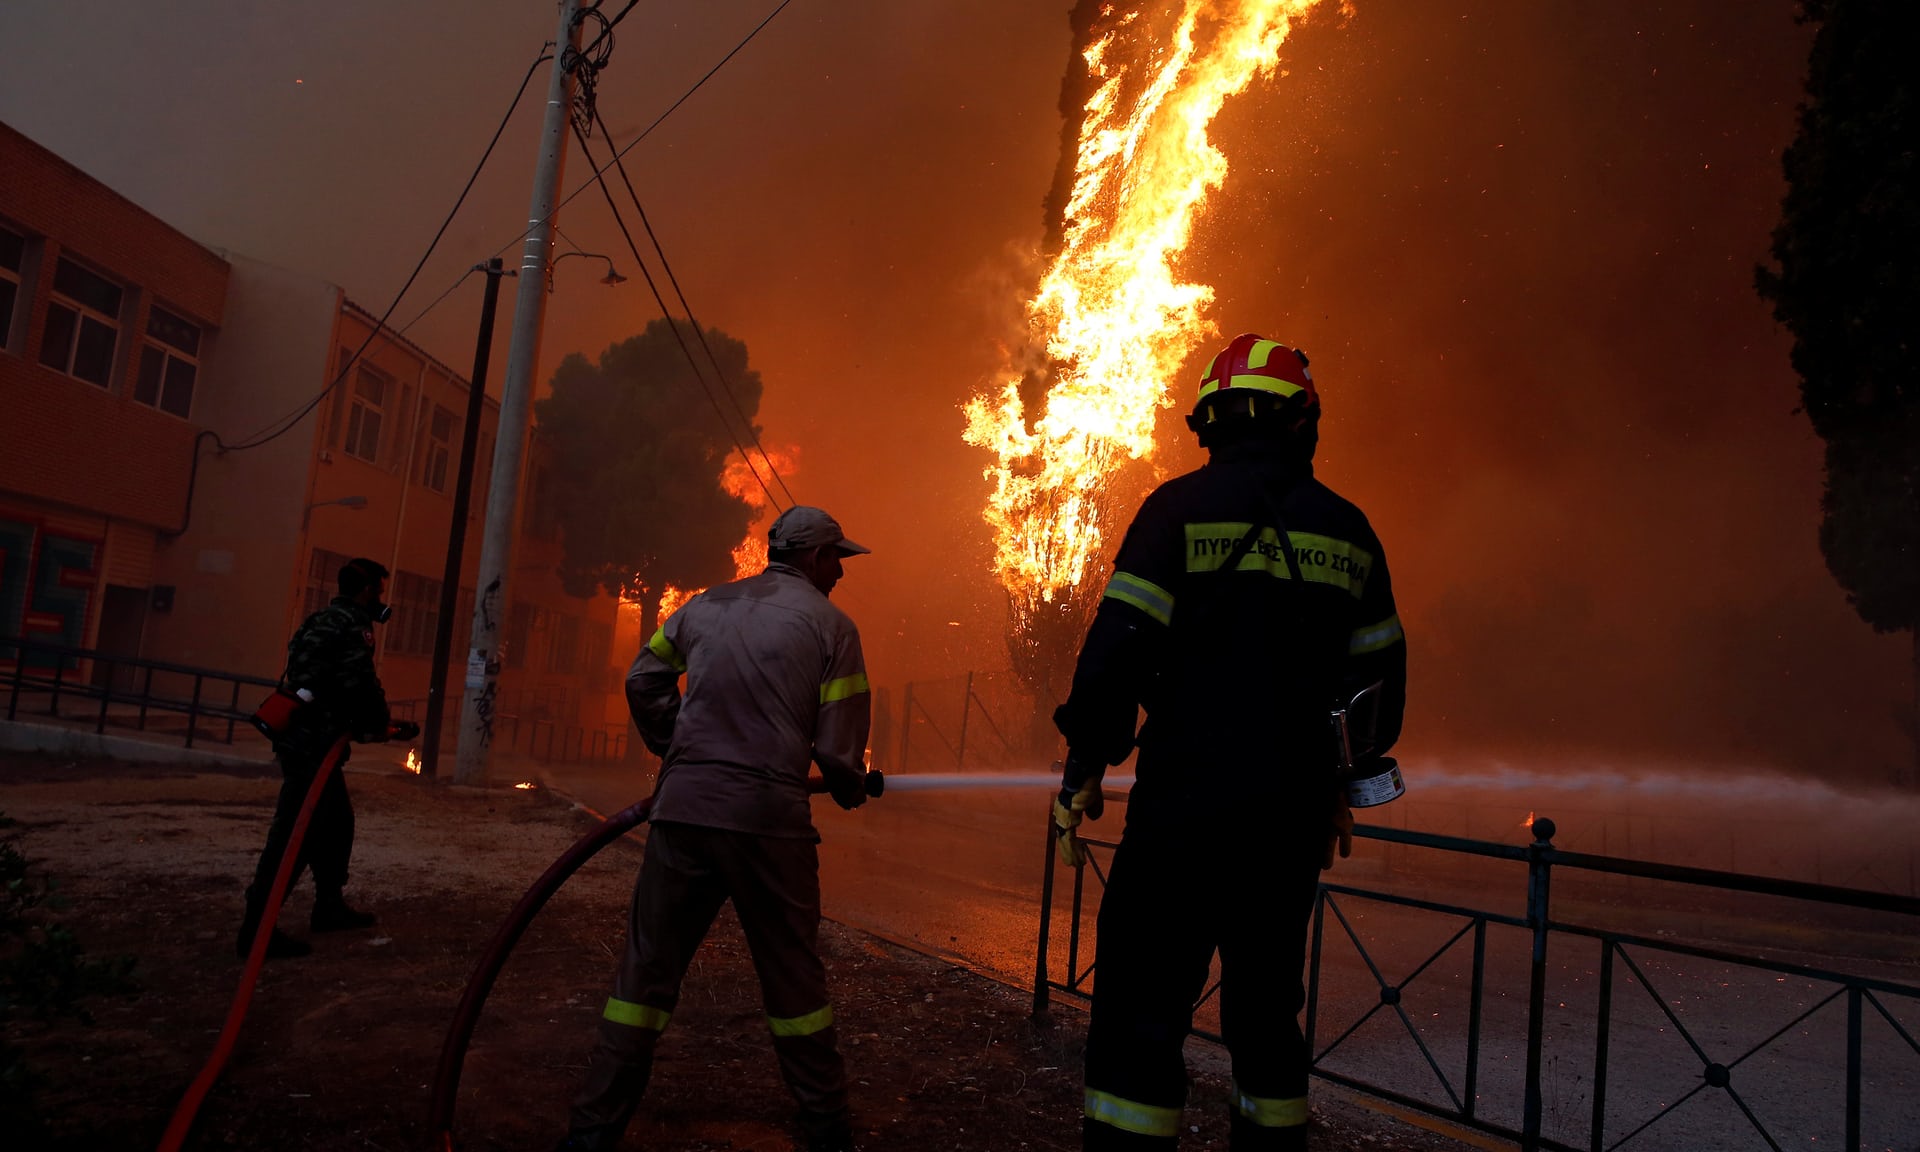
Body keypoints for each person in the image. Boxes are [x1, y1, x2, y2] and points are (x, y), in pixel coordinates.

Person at [1051, 334, 1408, 1151]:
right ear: (1302, 421)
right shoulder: (1349, 532)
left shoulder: (1174, 512)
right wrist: (1342, 783)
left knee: (1142, 1012)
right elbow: (1378, 691)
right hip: (1286, 826)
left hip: (1181, 810)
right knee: (1267, 1020)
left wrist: (1083, 768)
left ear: (1211, 422)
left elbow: (1118, 651)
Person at [558, 505, 878, 1152]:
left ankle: (590, 1136)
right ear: (813, 558)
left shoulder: (702, 608)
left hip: (682, 811)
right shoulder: (834, 628)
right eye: (836, 560)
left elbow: (644, 677)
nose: (840, 574)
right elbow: (841, 757)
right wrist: (849, 789)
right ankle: (826, 1128)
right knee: (794, 983)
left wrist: (681, 748)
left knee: (643, 980)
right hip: (768, 823)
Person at [236, 557, 417, 960]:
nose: (382, 600)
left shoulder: (317, 621)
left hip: (305, 740)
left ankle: (328, 905)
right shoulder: (354, 626)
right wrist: (379, 725)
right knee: (294, 835)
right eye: (380, 592)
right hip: (313, 746)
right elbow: (360, 686)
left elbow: (316, 679)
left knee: (336, 822)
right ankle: (256, 930)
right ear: (368, 590)